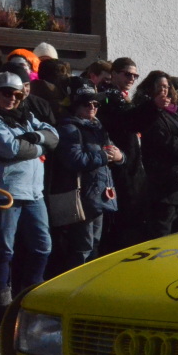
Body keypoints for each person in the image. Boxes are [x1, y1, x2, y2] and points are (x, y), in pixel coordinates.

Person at [0, 71, 59, 323]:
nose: (11, 99)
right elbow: (10, 148)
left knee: (43, 246)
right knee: (2, 250)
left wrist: (35, 138)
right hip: (4, 193)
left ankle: (29, 295)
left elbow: (54, 135)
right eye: (6, 93)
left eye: (16, 94)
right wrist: (40, 146)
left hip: (33, 193)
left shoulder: (28, 118)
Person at [54, 80, 123, 269]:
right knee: (82, 248)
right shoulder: (69, 128)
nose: (92, 108)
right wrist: (104, 156)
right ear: (76, 106)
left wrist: (119, 157)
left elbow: (114, 152)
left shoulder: (98, 127)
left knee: (94, 245)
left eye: (96, 104)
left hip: (99, 195)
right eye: (87, 104)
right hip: (83, 197)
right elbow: (74, 159)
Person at [135, 71, 178, 238]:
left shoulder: (172, 112)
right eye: (160, 87)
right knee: (162, 233)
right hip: (165, 187)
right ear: (151, 88)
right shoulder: (149, 113)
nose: (164, 90)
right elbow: (166, 141)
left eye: (166, 87)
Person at [97, 57, 148, 252]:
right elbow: (129, 122)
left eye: (135, 75)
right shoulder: (109, 97)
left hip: (133, 164)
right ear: (114, 74)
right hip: (118, 166)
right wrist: (152, 107)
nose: (132, 78)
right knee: (123, 225)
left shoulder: (122, 96)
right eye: (128, 74)